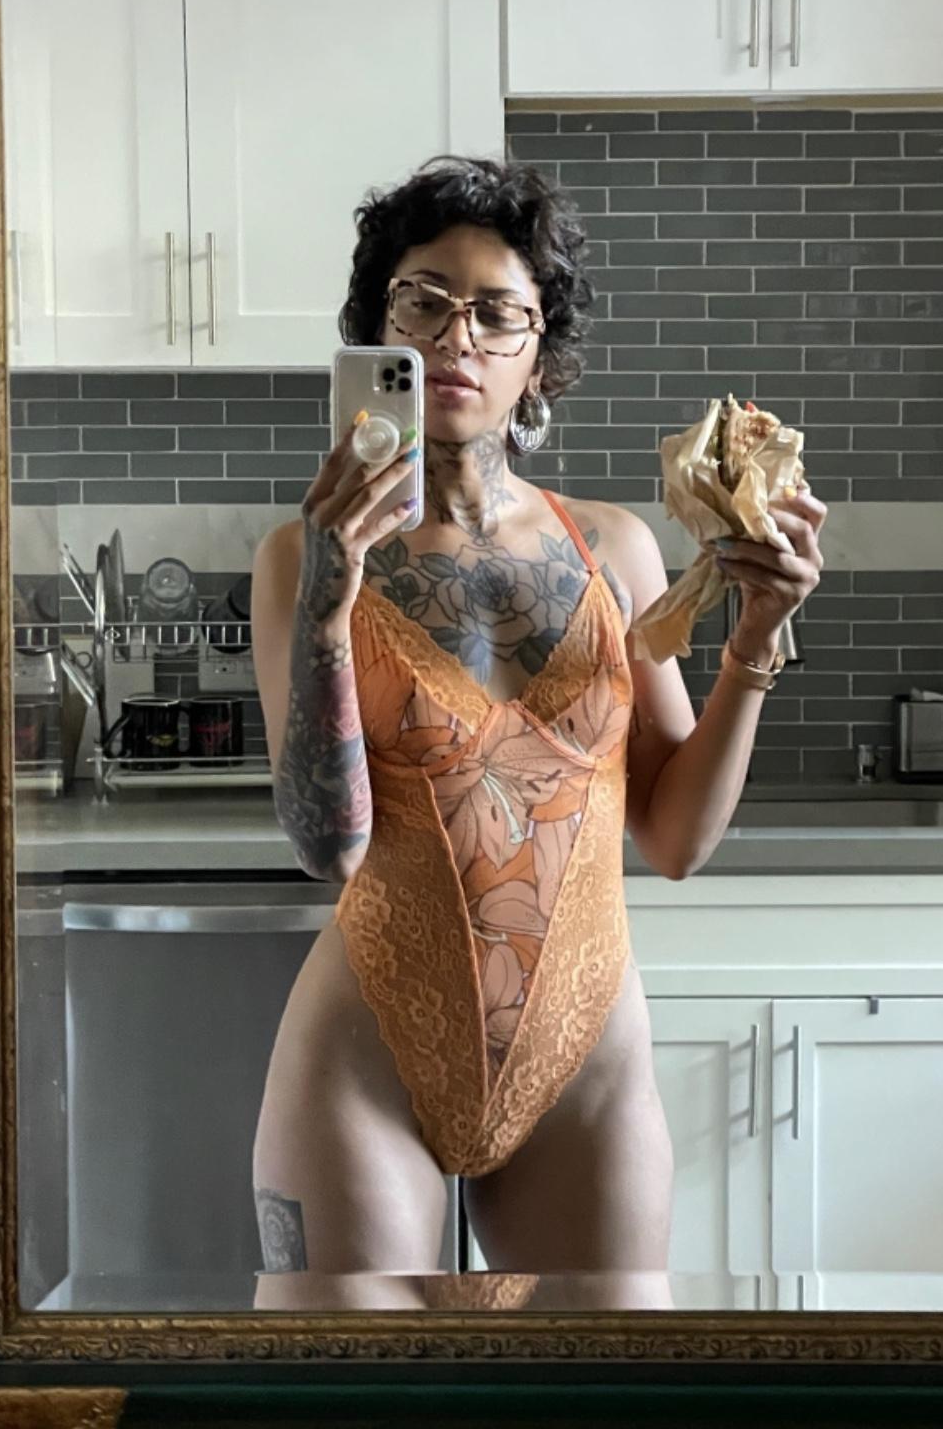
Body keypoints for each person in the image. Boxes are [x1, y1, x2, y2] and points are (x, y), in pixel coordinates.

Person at [248, 156, 826, 1311]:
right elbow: (329, 845)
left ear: (539, 354)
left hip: (585, 1074)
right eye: (422, 301)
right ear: (378, 332)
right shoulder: (300, 559)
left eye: (495, 312)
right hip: (365, 1066)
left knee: (610, 1390)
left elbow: (675, 838)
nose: (455, 336)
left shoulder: (616, 551)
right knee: (339, 1393)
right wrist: (324, 609)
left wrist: (758, 637)